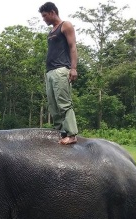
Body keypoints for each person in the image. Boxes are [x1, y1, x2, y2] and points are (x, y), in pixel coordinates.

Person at [39, 2, 79, 145]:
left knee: (64, 103)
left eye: (44, 16)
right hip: (50, 72)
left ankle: (72, 134)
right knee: (53, 105)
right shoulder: (51, 31)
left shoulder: (65, 25)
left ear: (52, 12)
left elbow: (73, 46)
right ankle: (60, 131)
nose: (43, 19)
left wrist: (73, 68)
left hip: (62, 70)